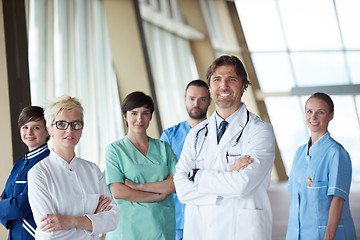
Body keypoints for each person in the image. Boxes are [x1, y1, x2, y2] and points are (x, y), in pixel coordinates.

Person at [174, 55, 275, 240]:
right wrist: (228, 176)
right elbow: (181, 188)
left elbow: (241, 184)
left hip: (241, 231)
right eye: (217, 79)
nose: (224, 85)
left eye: (232, 79)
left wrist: (196, 175)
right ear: (210, 87)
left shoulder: (260, 131)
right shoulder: (196, 134)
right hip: (201, 230)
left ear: (244, 86)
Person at [28, 96, 119, 239]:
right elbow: (50, 233)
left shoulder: (92, 170)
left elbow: (113, 219)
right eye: (61, 124)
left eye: (76, 124)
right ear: (49, 129)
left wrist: (70, 221)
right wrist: (93, 220)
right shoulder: (38, 173)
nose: (69, 130)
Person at [105, 91, 177, 240]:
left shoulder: (164, 148)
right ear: (125, 116)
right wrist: (157, 196)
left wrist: (138, 187)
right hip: (127, 230)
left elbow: (175, 184)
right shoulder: (115, 150)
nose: (140, 119)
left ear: (151, 116)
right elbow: (118, 191)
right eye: (133, 113)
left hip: (161, 227)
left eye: (145, 113)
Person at [286, 92, 356, 240]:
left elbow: (338, 200)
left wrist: (329, 237)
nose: (313, 117)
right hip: (297, 234)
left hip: (325, 236)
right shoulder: (299, 153)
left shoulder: (336, 153)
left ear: (331, 115)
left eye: (321, 112)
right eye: (310, 111)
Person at [160, 79, 211, 240]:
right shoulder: (170, 135)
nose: (196, 103)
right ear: (184, 100)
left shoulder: (218, 134)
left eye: (202, 99)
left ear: (210, 101)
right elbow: (164, 176)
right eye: (191, 98)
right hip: (178, 216)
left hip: (211, 211)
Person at [0, 106, 50, 239]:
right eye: (25, 127)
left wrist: (9, 208)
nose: (29, 132)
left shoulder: (47, 162)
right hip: (14, 234)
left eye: (36, 127)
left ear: (48, 131)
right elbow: (4, 197)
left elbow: (21, 207)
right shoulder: (19, 163)